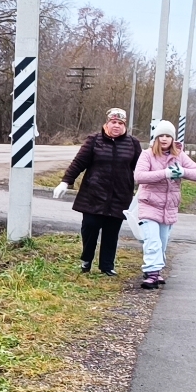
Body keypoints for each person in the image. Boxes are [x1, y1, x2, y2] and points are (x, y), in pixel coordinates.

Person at [53, 107, 142, 276]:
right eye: (113, 122)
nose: (116, 126)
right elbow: (79, 162)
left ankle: (107, 266)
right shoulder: (94, 140)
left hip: (120, 195)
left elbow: (141, 167)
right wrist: (65, 182)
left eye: (120, 123)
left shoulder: (133, 143)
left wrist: (146, 185)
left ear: (125, 126)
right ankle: (86, 260)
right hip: (93, 194)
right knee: (90, 227)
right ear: (107, 123)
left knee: (111, 232)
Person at [133, 120, 196, 289]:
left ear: (172, 139)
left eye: (168, 136)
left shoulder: (179, 155)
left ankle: (156, 270)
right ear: (156, 138)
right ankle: (151, 272)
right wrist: (165, 173)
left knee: (162, 242)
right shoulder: (147, 154)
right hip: (149, 204)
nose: (164, 139)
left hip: (169, 208)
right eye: (161, 135)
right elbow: (139, 176)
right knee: (153, 241)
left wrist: (182, 172)